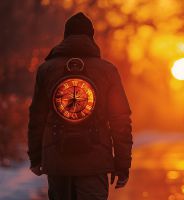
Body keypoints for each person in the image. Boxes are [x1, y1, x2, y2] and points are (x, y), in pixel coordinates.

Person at [27, 12, 133, 200]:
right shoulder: (108, 71)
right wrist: (122, 165)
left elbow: (36, 118)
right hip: (95, 162)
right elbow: (120, 121)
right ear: (91, 37)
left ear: (65, 36)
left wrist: (36, 158)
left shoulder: (46, 70)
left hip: (57, 160)